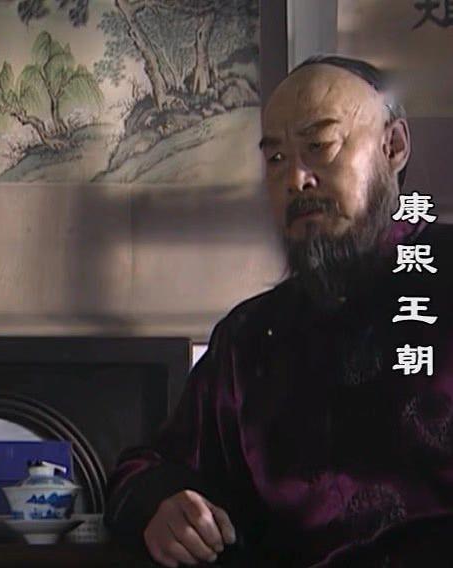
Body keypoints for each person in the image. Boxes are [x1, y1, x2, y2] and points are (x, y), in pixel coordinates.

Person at [105, 55, 453, 566]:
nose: (296, 179)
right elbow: (150, 465)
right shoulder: (251, 337)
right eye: (275, 158)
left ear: (393, 146)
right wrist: (162, 504)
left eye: (319, 146)